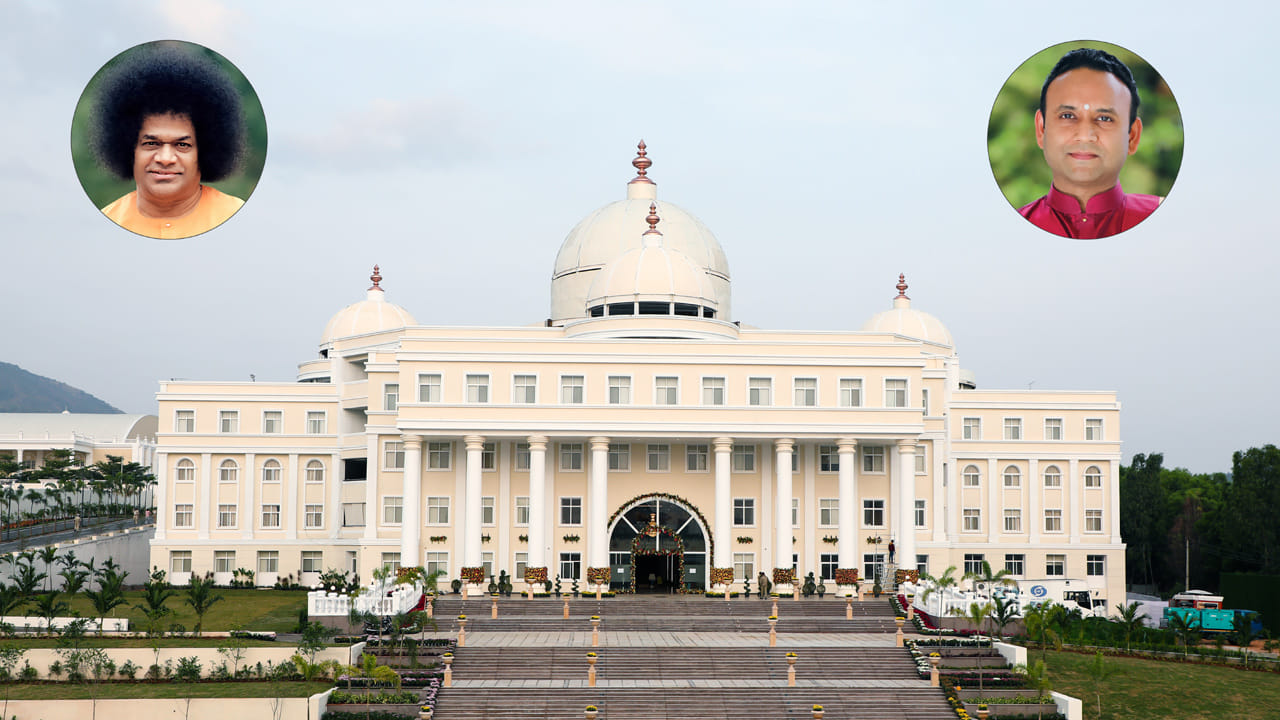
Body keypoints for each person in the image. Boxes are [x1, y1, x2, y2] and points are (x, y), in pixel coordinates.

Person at [89, 42, 247, 239]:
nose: (165, 159)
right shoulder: (105, 223)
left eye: (182, 145)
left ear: (204, 152)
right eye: (151, 143)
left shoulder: (238, 219)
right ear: (129, 150)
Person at [1018, 47, 1161, 239]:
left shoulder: (1169, 222)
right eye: (1068, 116)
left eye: (1104, 118)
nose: (1085, 136)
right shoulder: (1012, 231)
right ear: (1041, 129)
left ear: (1132, 136)